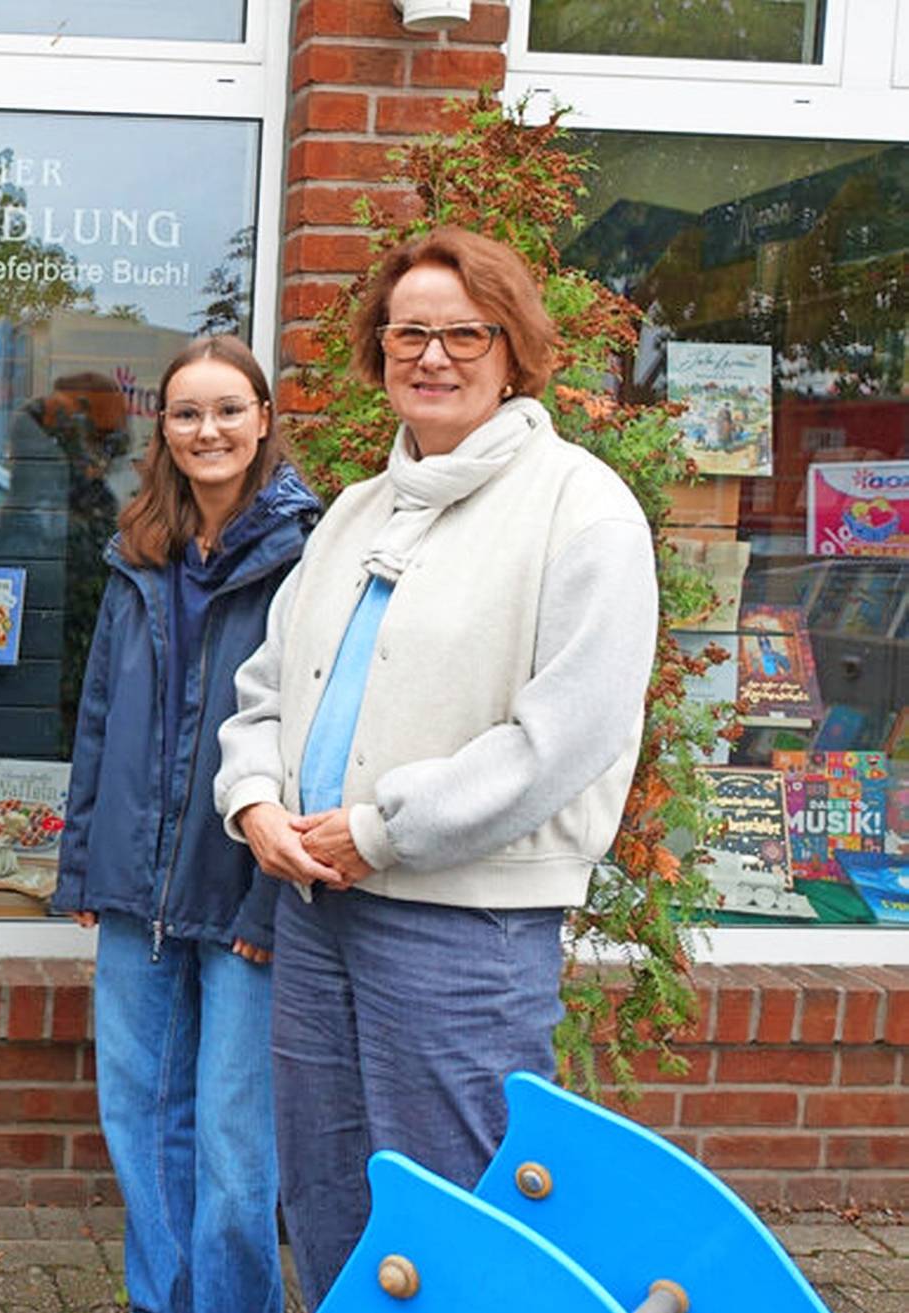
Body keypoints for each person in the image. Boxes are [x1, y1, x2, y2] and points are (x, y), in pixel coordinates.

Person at [214, 227, 659, 1308]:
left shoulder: (580, 508)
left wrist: (380, 831)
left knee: (458, 1213)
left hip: (463, 928)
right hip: (317, 910)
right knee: (326, 1194)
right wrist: (256, 801)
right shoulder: (361, 510)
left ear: (514, 350)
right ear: (380, 351)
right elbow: (271, 687)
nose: (435, 355)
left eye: (466, 331)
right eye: (409, 331)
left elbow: (563, 736)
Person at [53, 335, 319, 1313]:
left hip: (246, 886)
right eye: (187, 412)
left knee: (236, 1149)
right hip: (135, 887)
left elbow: (316, 736)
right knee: (140, 1125)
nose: (208, 430)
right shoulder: (138, 550)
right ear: (163, 427)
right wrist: (84, 865)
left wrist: (270, 897)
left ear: (262, 420)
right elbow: (97, 717)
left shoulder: (308, 552)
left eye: (228, 410)